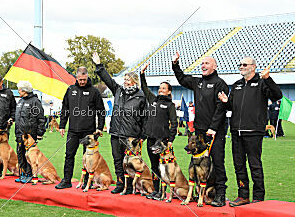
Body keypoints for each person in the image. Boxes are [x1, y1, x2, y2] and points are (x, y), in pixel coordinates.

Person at [218, 57, 282, 206]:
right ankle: (243, 195)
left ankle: (258, 197)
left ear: (253, 67)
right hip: (236, 132)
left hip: (254, 131)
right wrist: (226, 102)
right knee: (238, 165)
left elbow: (277, 95)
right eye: (240, 64)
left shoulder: (262, 83)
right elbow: (231, 107)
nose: (241, 67)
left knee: (255, 165)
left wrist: (268, 78)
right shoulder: (237, 85)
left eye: (244, 64)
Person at [172, 52, 229, 207]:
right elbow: (182, 79)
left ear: (214, 66)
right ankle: (200, 193)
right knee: (197, 163)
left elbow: (221, 108)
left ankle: (220, 194)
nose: (203, 66)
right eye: (202, 64)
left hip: (215, 131)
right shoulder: (197, 82)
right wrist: (175, 65)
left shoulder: (220, 83)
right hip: (199, 131)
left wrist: (213, 128)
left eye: (207, 63)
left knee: (217, 162)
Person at [93, 52, 146, 194]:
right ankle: (120, 184)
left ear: (135, 81)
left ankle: (131, 187)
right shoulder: (118, 91)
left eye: (128, 79)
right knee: (117, 160)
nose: (126, 81)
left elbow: (145, 118)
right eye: (125, 79)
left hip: (131, 135)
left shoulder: (141, 96)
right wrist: (99, 65)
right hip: (116, 132)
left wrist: (142, 136)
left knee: (130, 162)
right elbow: (107, 79)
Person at [55, 66, 105, 189]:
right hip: (72, 130)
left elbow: (101, 111)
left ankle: (88, 182)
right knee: (69, 155)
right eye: (80, 79)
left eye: (84, 79)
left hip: (88, 131)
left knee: (89, 157)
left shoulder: (94, 91)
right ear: (76, 77)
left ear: (87, 77)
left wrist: (99, 127)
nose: (82, 81)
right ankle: (66, 180)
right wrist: (62, 125)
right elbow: (65, 109)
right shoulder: (70, 90)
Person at [140, 63, 178, 200]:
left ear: (169, 92)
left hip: (162, 141)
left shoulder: (170, 105)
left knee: (163, 167)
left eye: (164, 88)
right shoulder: (153, 100)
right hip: (150, 139)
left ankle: (163, 193)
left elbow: (174, 123)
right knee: (154, 166)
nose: (161, 90)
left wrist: (171, 140)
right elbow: (144, 88)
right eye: (160, 88)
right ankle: (156, 191)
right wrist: (142, 74)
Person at [14, 80, 46, 183]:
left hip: (30, 134)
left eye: (19, 89)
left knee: (29, 156)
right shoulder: (20, 101)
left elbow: (41, 118)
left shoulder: (35, 101)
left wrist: (40, 133)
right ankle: (22, 173)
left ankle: (29, 174)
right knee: (20, 154)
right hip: (19, 133)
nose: (18, 91)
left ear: (24, 90)